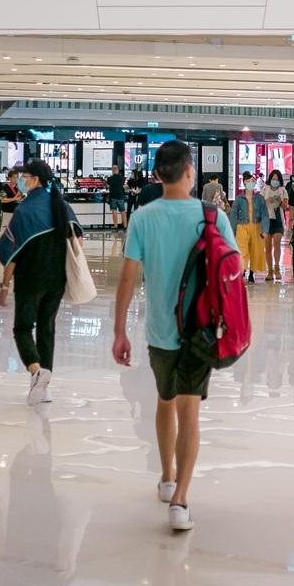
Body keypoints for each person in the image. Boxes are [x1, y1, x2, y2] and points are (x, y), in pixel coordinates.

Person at [112, 139, 237, 533]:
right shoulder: (213, 216)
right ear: (190, 172)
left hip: (160, 332)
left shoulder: (142, 218)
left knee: (165, 401)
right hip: (200, 331)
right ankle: (181, 499)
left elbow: (128, 277)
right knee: (190, 412)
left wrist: (119, 331)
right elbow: (235, 270)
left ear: (156, 175)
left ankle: (167, 477)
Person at [0, 160, 79, 407]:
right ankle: (43, 387)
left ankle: (36, 371)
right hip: (57, 279)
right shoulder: (61, 206)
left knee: (22, 328)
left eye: (25, 176)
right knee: (46, 329)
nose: (22, 180)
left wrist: (4, 285)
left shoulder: (25, 210)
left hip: (30, 278)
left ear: (35, 179)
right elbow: (78, 241)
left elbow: (12, 253)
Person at [233, 171, 266, 283]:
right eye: (248, 181)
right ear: (244, 183)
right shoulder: (239, 199)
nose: (250, 183)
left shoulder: (259, 198)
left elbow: (265, 215)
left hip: (256, 226)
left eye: (252, 181)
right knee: (242, 250)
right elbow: (233, 214)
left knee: (255, 251)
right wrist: (232, 230)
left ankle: (252, 273)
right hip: (242, 226)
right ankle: (243, 272)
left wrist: (265, 229)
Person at [262, 170, 288, 283]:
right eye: (273, 179)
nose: (275, 181)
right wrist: (266, 200)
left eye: (277, 179)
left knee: (277, 241)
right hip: (267, 220)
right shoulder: (265, 190)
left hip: (278, 219)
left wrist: (280, 201)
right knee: (267, 246)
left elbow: (285, 206)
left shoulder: (283, 190)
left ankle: (277, 266)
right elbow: (259, 204)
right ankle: (270, 270)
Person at [107, 166, 128, 230]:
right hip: (120, 196)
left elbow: (107, 186)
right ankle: (125, 226)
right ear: (118, 170)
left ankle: (115, 226)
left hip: (113, 197)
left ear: (112, 171)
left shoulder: (109, 179)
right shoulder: (123, 178)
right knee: (123, 212)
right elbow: (125, 186)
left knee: (114, 212)